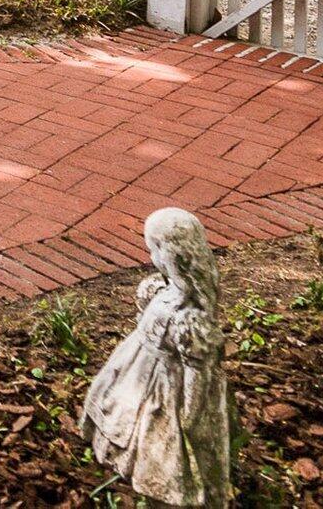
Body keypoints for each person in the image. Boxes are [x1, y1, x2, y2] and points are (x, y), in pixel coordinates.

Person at [80, 206, 232, 506]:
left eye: (154, 249)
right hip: (136, 369)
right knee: (121, 414)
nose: (151, 257)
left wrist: (189, 417)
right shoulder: (160, 291)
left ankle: (172, 488)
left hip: (167, 388)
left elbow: (196, 373)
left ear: (172, 254)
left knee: (160, 442)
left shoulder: (191, 322)